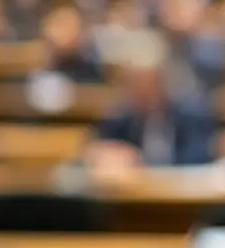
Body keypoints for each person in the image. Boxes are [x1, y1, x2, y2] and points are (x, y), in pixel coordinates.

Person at [86, 61, 218, 168]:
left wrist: (142, 164)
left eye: (146, 85)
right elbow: (99, 147)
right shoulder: (121, 120)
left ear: (161, 87)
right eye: (135, 87)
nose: (141, 93)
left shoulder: (191, 117)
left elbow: (199, 157)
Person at [41, 5, 105, 83]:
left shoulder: (91, 70)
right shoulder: (38, 72)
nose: (64, 33)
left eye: (68, 27)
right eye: (60, 26)